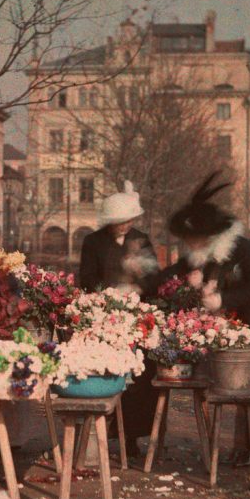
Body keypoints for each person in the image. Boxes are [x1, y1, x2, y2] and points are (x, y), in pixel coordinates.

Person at [156, 171, 250, 466]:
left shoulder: (241, 248)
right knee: (241, 390)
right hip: (238, 329)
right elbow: (171, 274)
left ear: (208, 235)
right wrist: (143, 283)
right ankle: (244, 448)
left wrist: (222, 299)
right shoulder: (201, 253)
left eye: (193, 239)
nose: (190, 245)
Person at [79, 181, 160, 458]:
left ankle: (132, 436)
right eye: (119, 223)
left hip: (136, 318)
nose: (124, 227)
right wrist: (108, 298)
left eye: (128, 222)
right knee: (106, 373)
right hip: (105, 318)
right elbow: (87, 279)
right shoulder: (92, 242)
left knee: (137, 379)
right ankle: (101, 433)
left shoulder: (142, 240)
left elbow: (155, 281)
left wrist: (140, 278)